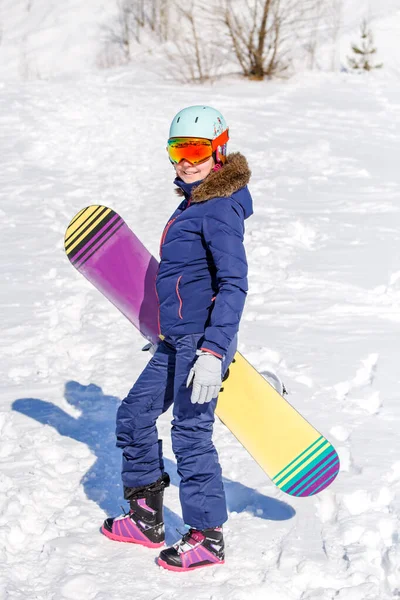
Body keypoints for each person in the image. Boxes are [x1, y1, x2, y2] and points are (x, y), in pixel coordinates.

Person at [101, 105, 253, 571]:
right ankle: (146, 516)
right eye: (177, 150)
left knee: (190, 433)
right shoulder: (193, 201)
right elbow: (186, 278)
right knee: (134, 415)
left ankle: (207, 537)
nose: (185, 161)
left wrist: (212, 351)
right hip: (176, 340)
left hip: (200, 343)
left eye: (196, 151)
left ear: (219, 153)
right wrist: (165, 328)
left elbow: (233, 284)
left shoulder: (217, 208)